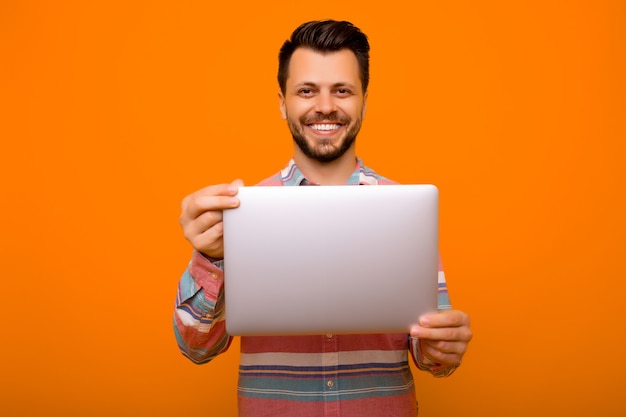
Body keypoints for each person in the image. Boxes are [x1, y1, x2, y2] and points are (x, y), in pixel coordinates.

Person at [174, 19, 472, 417]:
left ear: (364, 99)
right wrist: (210, 258)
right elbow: (195, 348)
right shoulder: (240, 213)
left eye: (342, 90)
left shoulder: (404, 212)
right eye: (307, 91)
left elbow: (432, 353)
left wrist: (443, 348)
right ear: (282, 102)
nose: (326, 106)